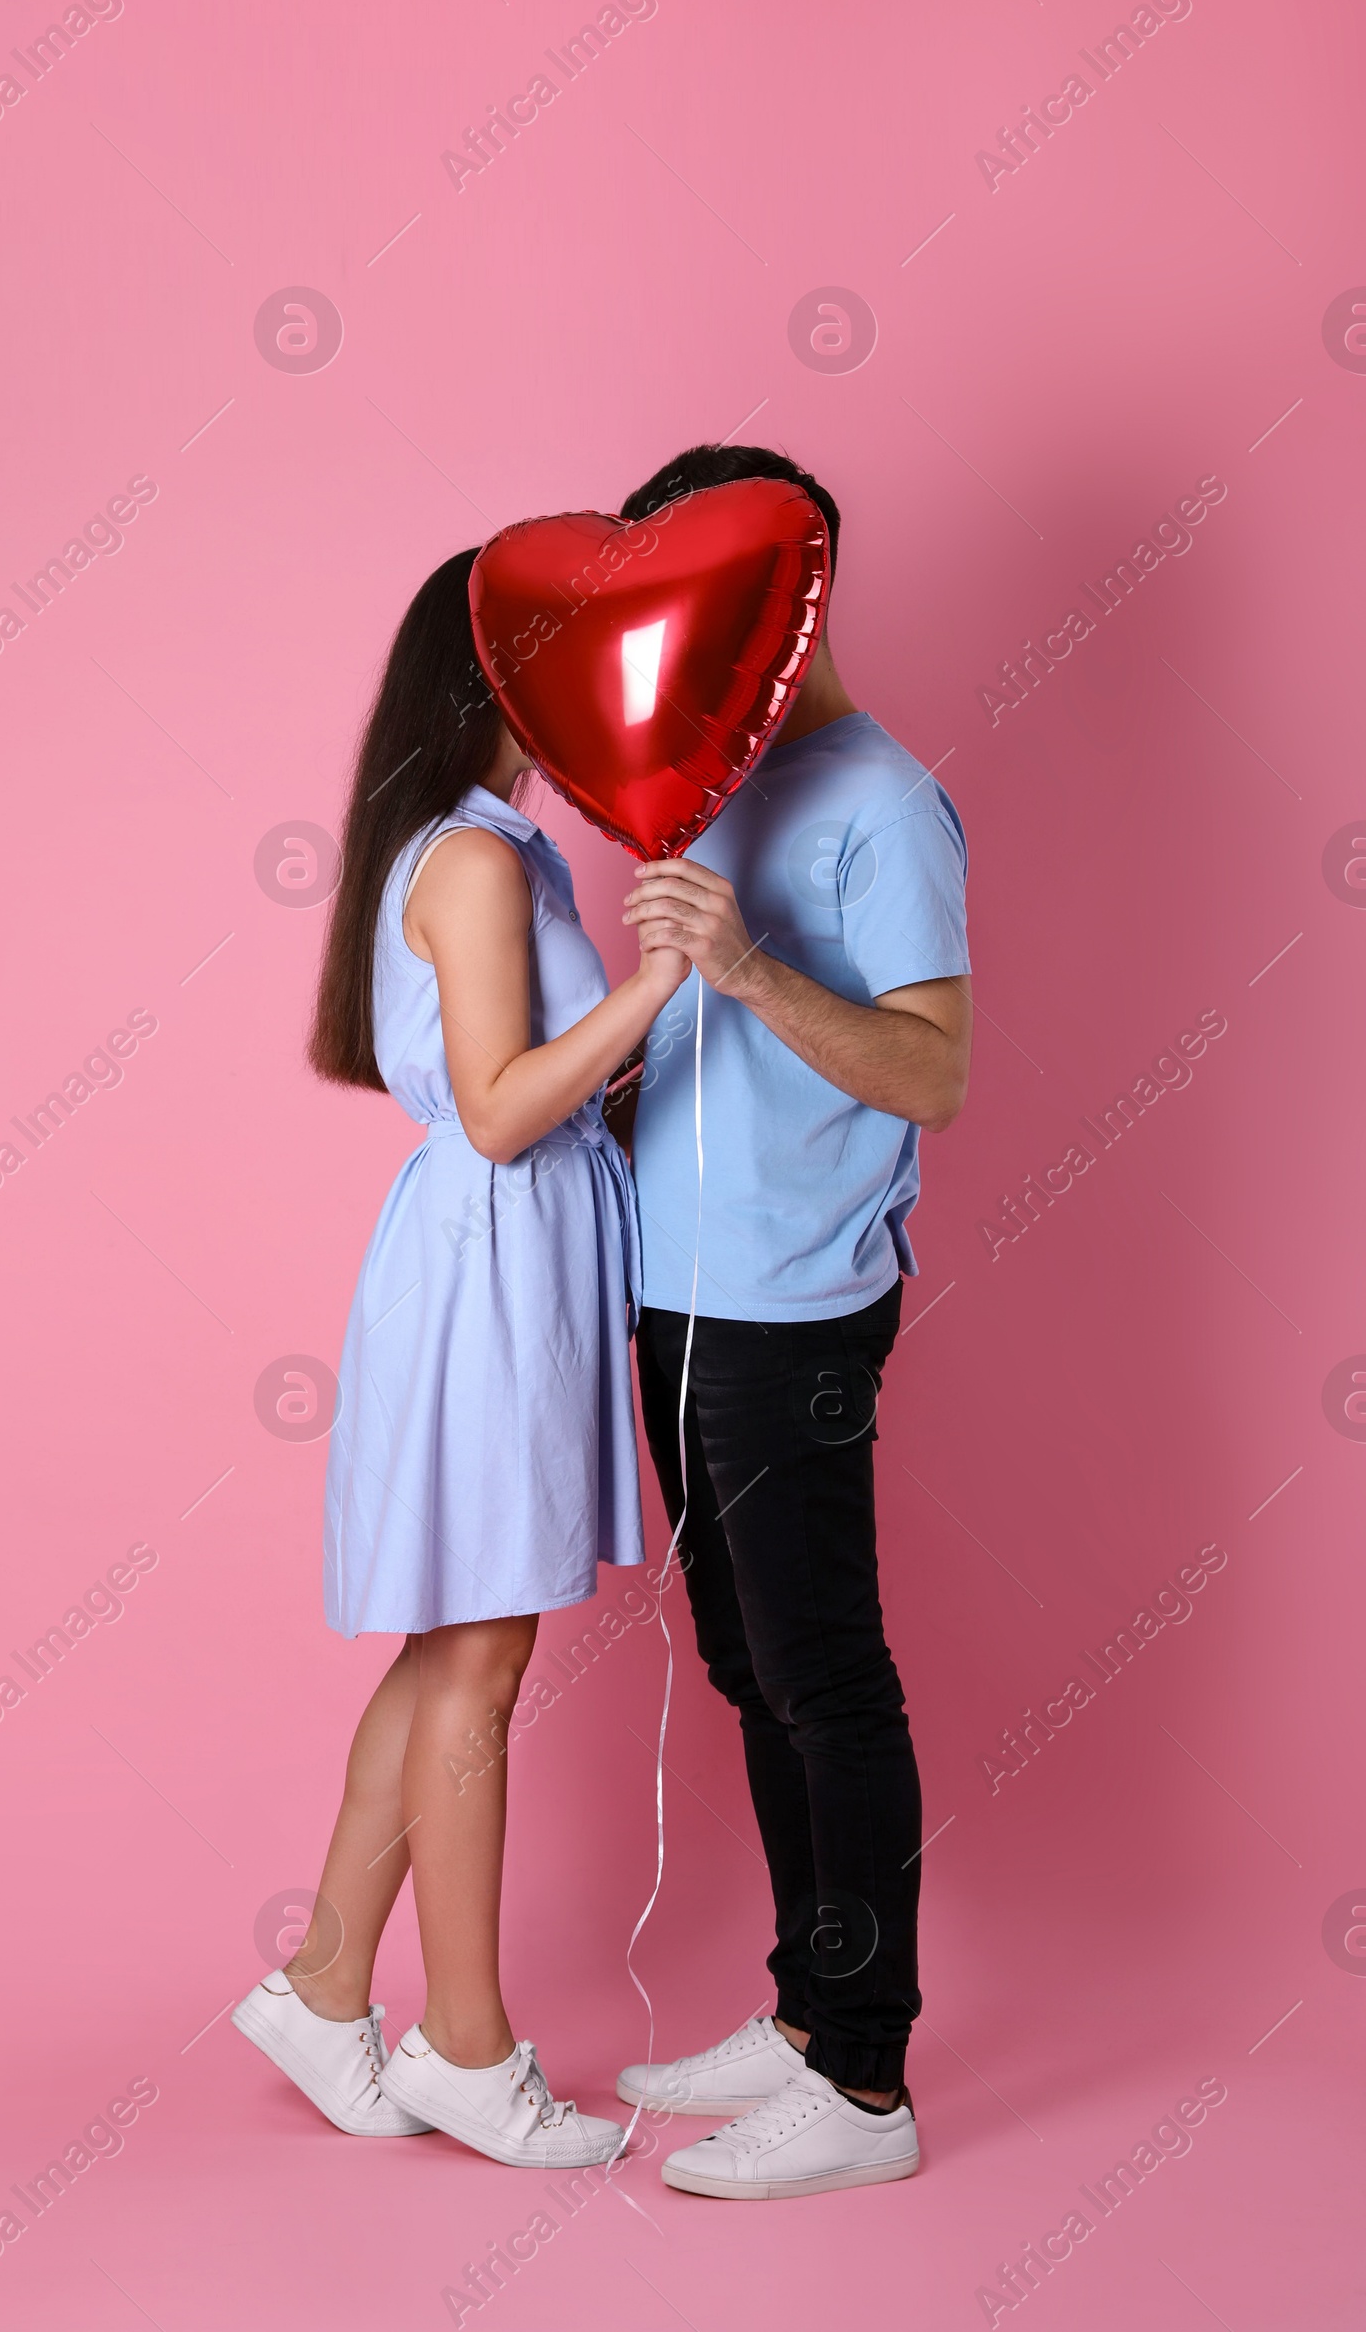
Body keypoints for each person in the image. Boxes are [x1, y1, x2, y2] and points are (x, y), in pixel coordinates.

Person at [233, 550, 687, 2170]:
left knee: (448, 1650)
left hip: (503, 1258)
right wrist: (661, 986)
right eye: (547, 673)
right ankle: (467, 2047)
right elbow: (501, 1109)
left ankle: (325, 1983)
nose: (575, 706)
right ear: (486, 688)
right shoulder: (480, 865)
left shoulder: (482, 847)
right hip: (493, 1264)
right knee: (479, 1662)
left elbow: (512, 1096)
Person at [611, 444, 972, 2200]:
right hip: (675, 1300)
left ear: (791, 584)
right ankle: (812, 2013)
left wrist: (750, 968)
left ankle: (870, 2086)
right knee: (749, 1668)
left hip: (794, 1316)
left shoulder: (880, 801)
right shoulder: (705, 779)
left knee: (826, 1677)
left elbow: (939, 1070)